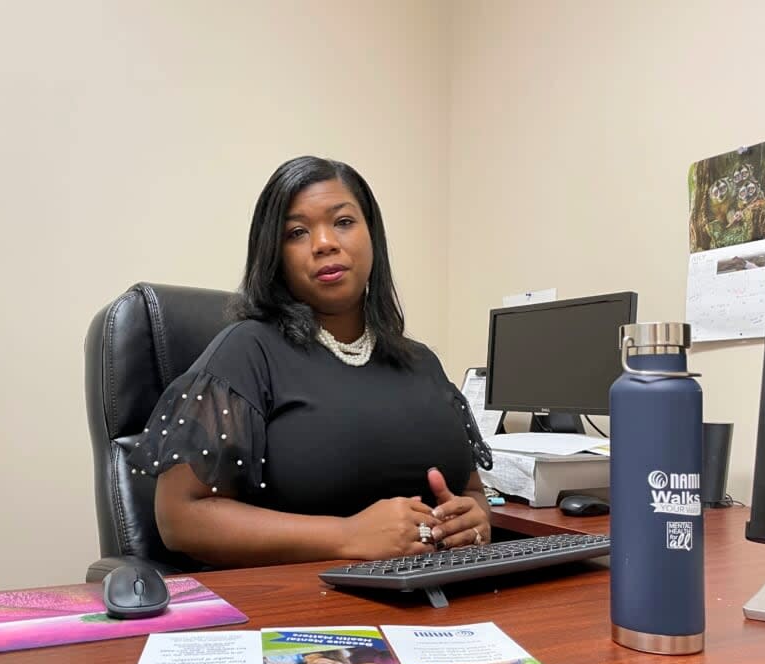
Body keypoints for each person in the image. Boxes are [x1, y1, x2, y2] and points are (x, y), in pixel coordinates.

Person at [128, 156, 494, 567]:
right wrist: (347, 536)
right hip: (312, 610)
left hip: (441, 601)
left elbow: (471, 492)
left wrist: (474, 519)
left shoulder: (422, 362)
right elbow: (181, 518)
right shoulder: (248, 352)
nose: (324, 243)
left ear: (371, 234)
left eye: (342, 222)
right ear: (275, 255)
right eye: (297, 232)